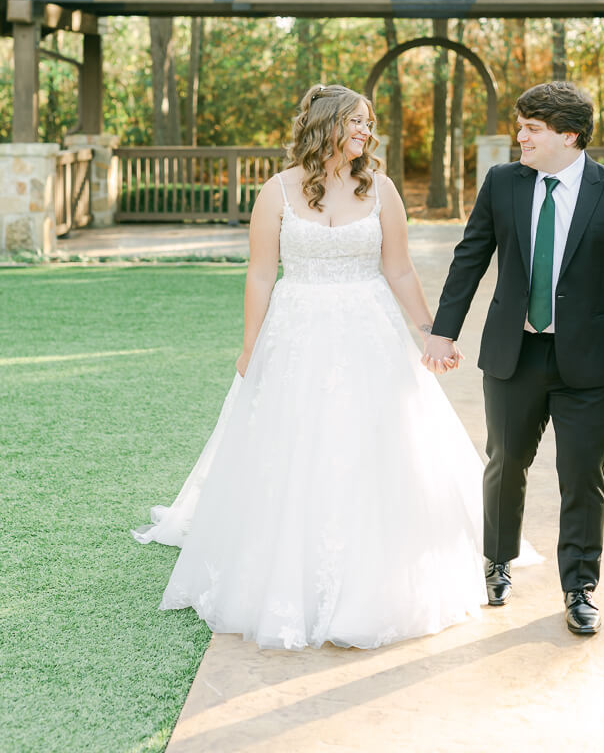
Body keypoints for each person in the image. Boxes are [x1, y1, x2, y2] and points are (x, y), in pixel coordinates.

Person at [133, 83, 494, 650]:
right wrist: (250, 344)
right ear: (326, 124)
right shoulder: (276, 191)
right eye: (356, 121)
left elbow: (398, 269)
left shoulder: (382, 190)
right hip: (296, 331)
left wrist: (430, 332)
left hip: (368, 330)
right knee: (294, 442)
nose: (366, 131)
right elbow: (260, 272)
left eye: (368, 123)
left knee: (373, 442)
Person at [423, 81, 604, 637]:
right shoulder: (503, 182)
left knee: (583, 474)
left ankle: (579, 587)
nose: (520, 136)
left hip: (592, 362)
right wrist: (443, 332)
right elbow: (470, 257)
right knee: (505, 463)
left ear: (568, 135)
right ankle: (497, 562)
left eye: (532, 128)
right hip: (514, 353)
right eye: (521, 126)